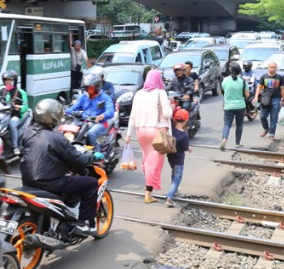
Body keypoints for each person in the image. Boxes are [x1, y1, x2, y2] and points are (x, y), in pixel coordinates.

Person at [21, 98, 97, 234]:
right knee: (91, 183)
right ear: (53, 117)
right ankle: (83, 223)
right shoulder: (57, 138)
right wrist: (93, 157)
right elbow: (78, 159)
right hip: (51, 183)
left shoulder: (28, 132)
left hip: (28, 180)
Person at [125, 69, 173, 203]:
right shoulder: (161, 93)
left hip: (141, 131)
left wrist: (128, 134)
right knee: (155, 162)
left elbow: (133, 116)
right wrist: (171, 106)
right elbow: (167, 113)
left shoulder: (139, 94)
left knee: (147, 159)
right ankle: (148, 194)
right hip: (156, 131)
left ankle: (148, 185)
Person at [64, 73, 115, 149]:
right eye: (86, 88)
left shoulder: (105, 97)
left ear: (97, 87)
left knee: (91, 133)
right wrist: (64, 112)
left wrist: (102, 116)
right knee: (69, 131)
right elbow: (74, 108)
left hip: (100, 123)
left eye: (90, 88)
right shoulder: (83, 97)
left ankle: (97, 152)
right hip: (84, 121)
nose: (88, 90)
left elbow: (110, 111)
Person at [0, 69, 29, 159]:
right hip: (2, 114)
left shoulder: (21, 92)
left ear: (15, 81)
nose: (7, 82)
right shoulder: (0, 90)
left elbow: (26, 107)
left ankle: (15, 147)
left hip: (15, 115)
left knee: (12, 124)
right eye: (6, 80)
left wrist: (19, 107)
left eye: (10, 80)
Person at [165, 108, 192, 207]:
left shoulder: (171, 128)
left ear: (175, 119)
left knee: (173, 173)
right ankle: (170, 197)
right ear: (186, 120)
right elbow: (185, 148)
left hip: (170, 156)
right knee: (177, 178)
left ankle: (174, 190)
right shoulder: (185, 135)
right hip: (179, 159)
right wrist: (189, 149)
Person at [253, 62, 284, 141]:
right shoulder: (263, 77)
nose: (273, 69)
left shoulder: (279, 77)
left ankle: (272, 134)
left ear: (276, 68)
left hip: (276, 99)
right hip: (265, 99)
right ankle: (266, 129)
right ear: (268, 68)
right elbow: (259, 87)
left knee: (274, 118)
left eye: (274, 67)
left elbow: (282, 89)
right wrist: (256, 97)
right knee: (262, 116)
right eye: (271, 67)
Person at [220, 62, 249, 150]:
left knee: (227, 124)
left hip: (228, 106)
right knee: (239, 124)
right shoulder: (242, 81)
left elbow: (221, 91)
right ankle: (237, 142)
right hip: (240, 106)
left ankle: (224, 138)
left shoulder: (225, 80)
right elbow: (247, 95)